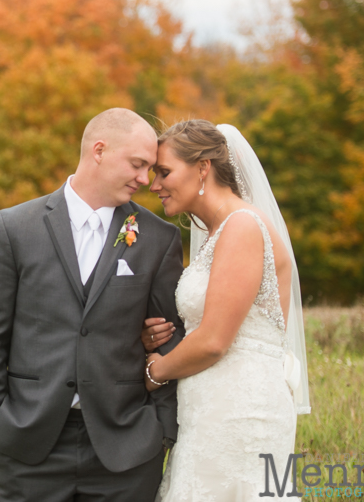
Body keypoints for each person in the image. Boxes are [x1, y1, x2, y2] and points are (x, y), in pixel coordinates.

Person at [0, 108, 187, 502]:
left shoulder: (158, 239)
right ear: (99, 150)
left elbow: (169, 335)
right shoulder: (14, 228)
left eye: (150, 169)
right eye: (137, 165)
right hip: (28, 445)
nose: (144, 179)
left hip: (127, 446)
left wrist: (162, 429)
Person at [140, 120, 311, 501]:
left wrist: (154, 370)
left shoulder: (242, 226)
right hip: (211, 409)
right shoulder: (221, 232)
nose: (154, 185)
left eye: (164, 172)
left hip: (241, 413)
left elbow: (216, 340)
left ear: (203, 168)